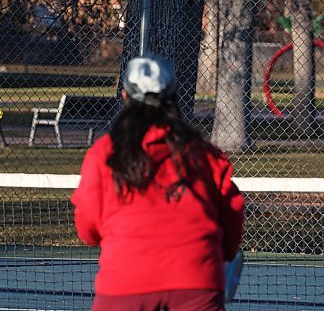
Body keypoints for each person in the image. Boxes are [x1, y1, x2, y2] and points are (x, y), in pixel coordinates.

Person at [71, 55, 244, 310]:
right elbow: (231, 213)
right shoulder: (204, 152)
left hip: (125, 279)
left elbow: (87, 227)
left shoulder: (104, 153)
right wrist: (225, 253)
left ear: (125, 97)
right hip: (196, 277)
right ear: (173, 96)